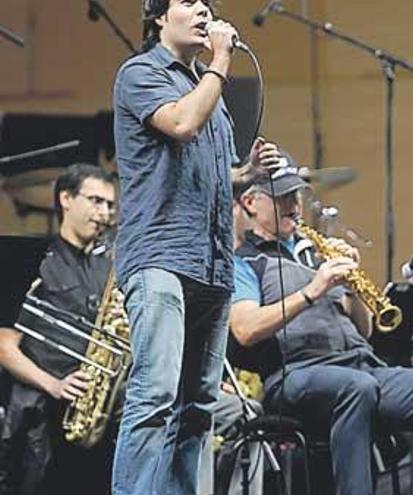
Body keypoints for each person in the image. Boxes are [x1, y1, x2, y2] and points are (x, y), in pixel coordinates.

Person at [228, 166, 413, 495]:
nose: (294, 205)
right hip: (295, 373)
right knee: (357, 387)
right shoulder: (244, 262)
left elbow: (364, 332)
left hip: (360, 365)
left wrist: (352, 289)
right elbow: (245, 329)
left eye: (296, 195)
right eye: (282, 198)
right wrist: (313, 290)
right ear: (251, 202)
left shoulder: (315, 253)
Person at [111, 2, 275, 493]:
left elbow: (212, 173)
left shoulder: (209, 87)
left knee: (199, 406)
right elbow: (181, 124)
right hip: (160, 254)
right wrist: (222, 62)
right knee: (155, 394)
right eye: (190, 1)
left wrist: (247, 175)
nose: (205, 9)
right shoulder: (139, 73)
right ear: (158, 16)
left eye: (209, 3)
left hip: (213, 263)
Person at [0, 164, 117, 495]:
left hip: (94, 419)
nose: (104, 212)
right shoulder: (34, 260)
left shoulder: (106, 266)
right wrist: (54, 385)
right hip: (41, 420)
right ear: (66, 198)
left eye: (109, 204)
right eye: (95, 200)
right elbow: (4, 346)